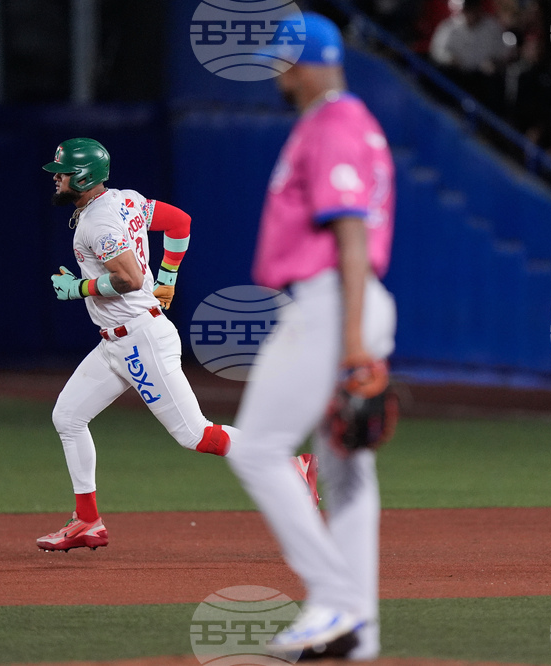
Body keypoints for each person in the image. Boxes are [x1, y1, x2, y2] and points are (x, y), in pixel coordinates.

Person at [35, 138, 318, 552]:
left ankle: (289, 465)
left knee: (194, 434)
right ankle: (87, 521)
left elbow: (129, 278)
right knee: (68, 417)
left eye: (61, 173)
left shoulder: (98, 222)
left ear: (82, 177)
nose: (55, 178)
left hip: (139, 339)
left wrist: (79, 288)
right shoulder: (126, 200)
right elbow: (179, 222)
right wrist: (168, 277)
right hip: (117, 341)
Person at [225, 13, 397, 660]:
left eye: (286, 63)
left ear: (310, 63)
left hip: (332, 303)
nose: (281, 75)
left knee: (256, 449)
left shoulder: (332, 125)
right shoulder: (351, 122)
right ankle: (357, 630)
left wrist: (350, 340)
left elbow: (350, 235)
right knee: (346, 472)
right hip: (347, 301)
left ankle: (335, 600)